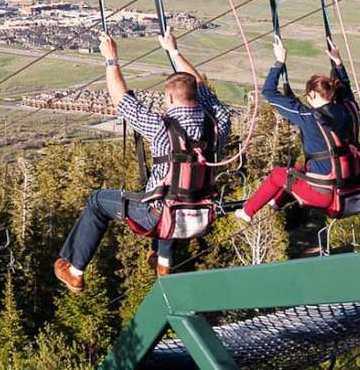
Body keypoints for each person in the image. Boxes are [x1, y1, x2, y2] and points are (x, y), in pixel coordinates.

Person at [54, 29, 232, 292]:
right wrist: (173, 51)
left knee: (97, 201)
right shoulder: (219, 121)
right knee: (171, 191)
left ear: (170, 97)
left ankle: (75, 269)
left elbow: (122, 100)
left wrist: (111, 60)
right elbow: (200, 85)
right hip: (199, 212)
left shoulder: (162, 127)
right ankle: (163, 261)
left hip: (160, 216)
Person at [235, 36, 360, 222]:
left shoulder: (310, 117)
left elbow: (268, 92)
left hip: (322, 193)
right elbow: (346, 89)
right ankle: (276, 203)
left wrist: (279, 61)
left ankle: (247, 212)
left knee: (279, 175)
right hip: (349, 185)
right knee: (299, 169)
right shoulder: (350, 108)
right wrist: (338, 63)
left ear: (311, 94)